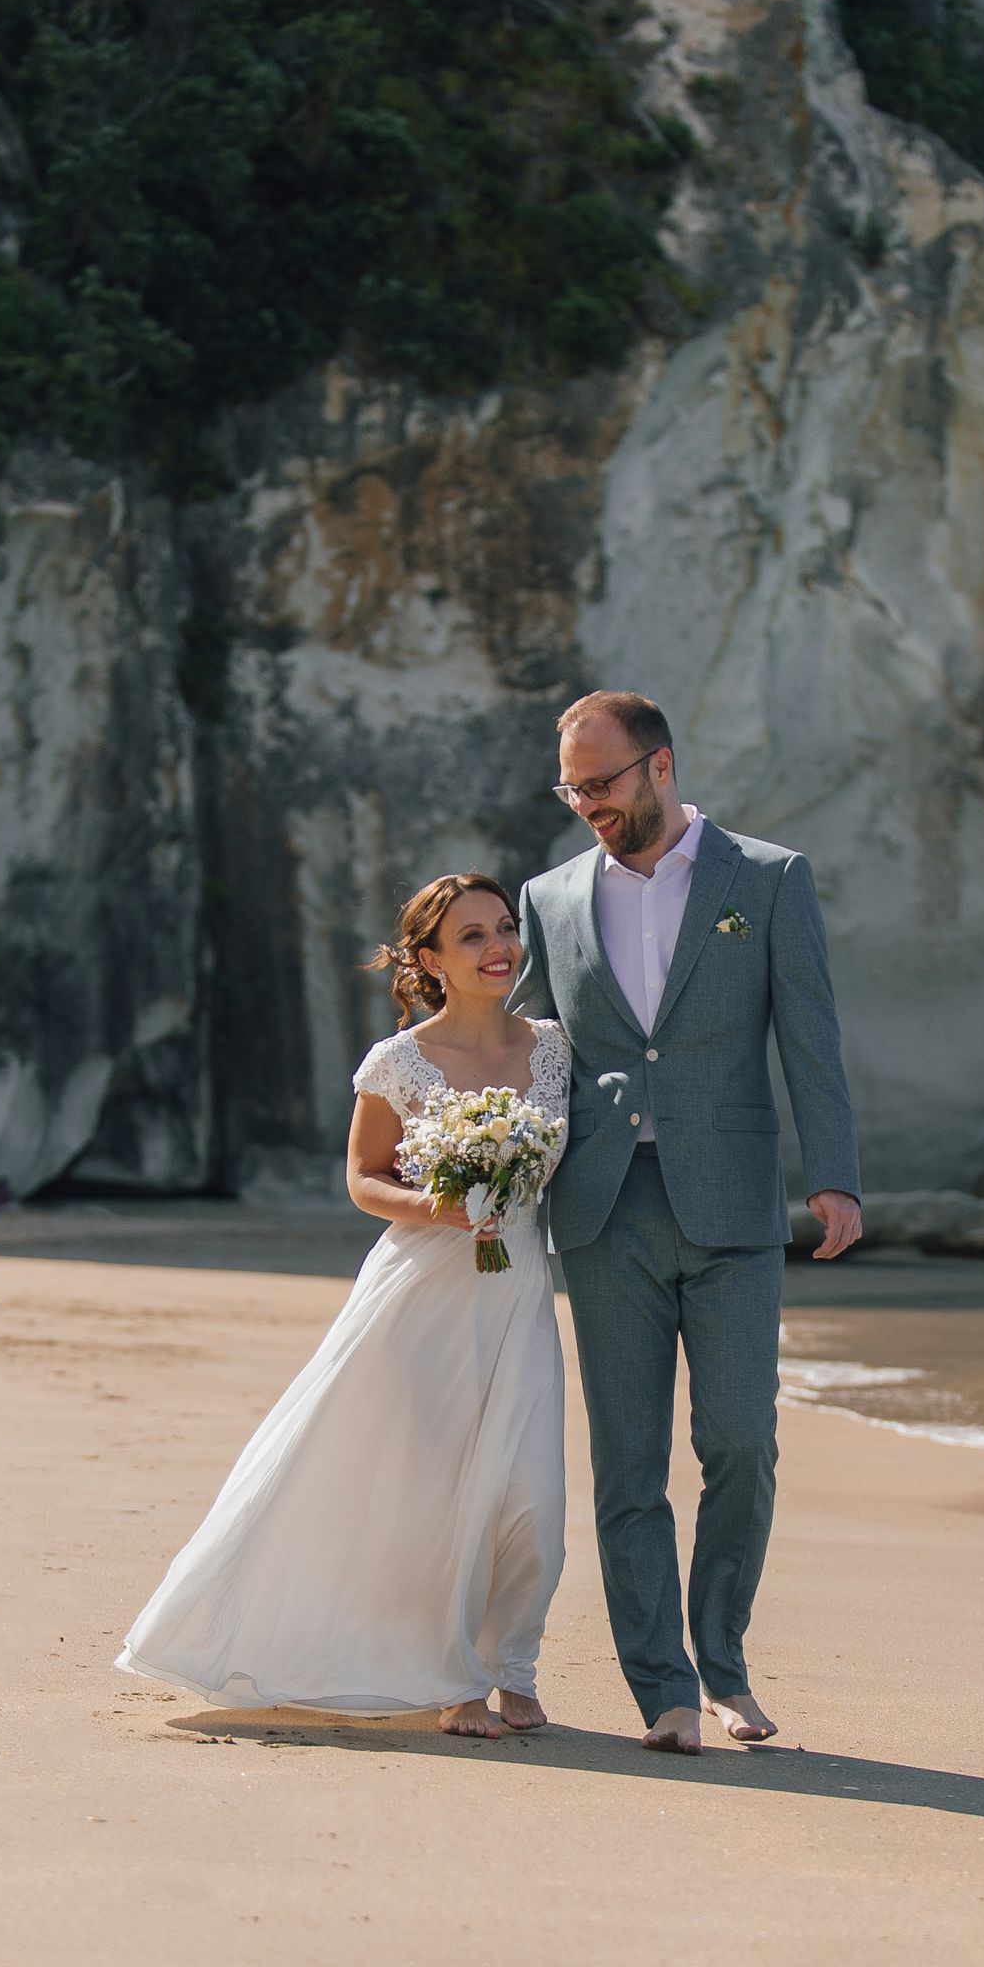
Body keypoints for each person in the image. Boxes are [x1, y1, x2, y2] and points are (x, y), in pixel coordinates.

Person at [117, 875, 569, 1737]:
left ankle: (516, 1665)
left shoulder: (552, 1048)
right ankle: (459, 1678)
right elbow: (362, 1179)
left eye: (505, 927)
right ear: (431, 960)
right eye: (470, 936)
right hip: (420, 1297)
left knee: (529, 1496)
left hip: (515, 1288)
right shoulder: (398, 1060)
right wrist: (442, 1203)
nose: (497, 946)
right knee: (437, 1495)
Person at [514, 691, 861, 1755]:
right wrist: (466, 1141)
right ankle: (661, 1683)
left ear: (661, 766)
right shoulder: (550, 894)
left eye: (603, 783)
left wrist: (835, 1176)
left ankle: (724, 1660)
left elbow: (810, 1034)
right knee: (628, 1463)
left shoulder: (767, 879)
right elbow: (527, 1038)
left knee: (741, 1444)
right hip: (602, 1203)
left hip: (734, 1205)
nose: (587, 806)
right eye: (571, 787)